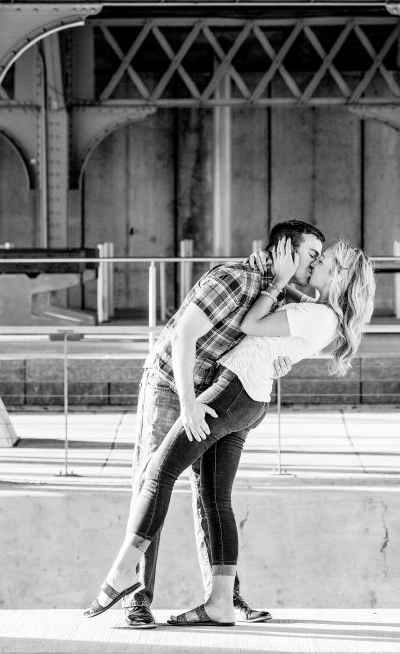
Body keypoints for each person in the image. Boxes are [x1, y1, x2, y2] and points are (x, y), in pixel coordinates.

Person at [84, 238, 376, 625]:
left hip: (232, 391)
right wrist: (278, 283)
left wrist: (276, 283)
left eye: (323, 260)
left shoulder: (317, 314)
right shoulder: (319, 312)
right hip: (248, 398)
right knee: (213, 497)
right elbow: (273, 334)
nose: (317, 262)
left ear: (338, 275)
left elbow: (250, 324)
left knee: (158, 473)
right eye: (313, 255)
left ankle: (123, 575)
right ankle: (221, 602)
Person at [115, 220, 325, 629]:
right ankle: (135, 598)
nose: (315, 263)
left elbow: (264, 342)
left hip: (212, 389)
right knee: (152, 479)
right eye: (312, 254)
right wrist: (188, 402)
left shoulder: (278, 291)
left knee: (207, 493)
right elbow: (183, 337)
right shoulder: (233, 277)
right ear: (285, 248)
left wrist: (279, 361)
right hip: (170, 385)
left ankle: (223, 596)